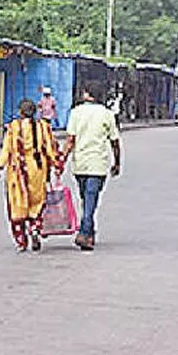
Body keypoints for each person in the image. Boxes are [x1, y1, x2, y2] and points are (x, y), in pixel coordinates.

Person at [0, 99, 59, 253]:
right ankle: (34, 228)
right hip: (38, 170)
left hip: (18, 172)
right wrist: (57, 166)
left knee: (18, 206)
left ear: (20, 112)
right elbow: (50, 149)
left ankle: (21, 241)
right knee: (37, 203)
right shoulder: (43, 126)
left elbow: (6, 150)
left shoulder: (14, 127)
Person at [61, 81, 121, 251]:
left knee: (87, 198)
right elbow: (115, 142)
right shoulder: (107, 114)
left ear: (86, 93)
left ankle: (86, 233)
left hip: (80, 163)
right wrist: (117, 162)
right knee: (90, 198)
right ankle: (86, 232)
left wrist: (62, 160)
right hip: (98, 164)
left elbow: (70, 140)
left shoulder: (76, 112)